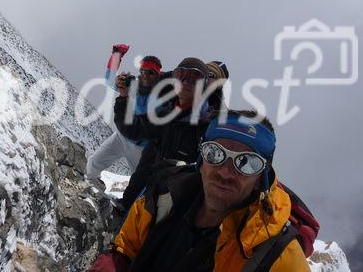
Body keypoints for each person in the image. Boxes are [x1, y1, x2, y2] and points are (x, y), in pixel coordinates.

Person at [88, 110, 312, 272]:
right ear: (201, 159)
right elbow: (125, 251)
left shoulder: (277, 255)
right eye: (215, 153)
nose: (225, 172)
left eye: (246, 162)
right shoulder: (163, 196)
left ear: (261, 176)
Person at [113, 57, 210, 211]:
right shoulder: (164, 115)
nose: (185, 82)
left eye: (194, 78)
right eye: (180, 75)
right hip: (135, 208)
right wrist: (123, 97)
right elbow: (132, 128)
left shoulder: (207, 129)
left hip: (172, 215)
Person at [86, 54, 164, 181]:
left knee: (140, 181)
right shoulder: (133, 85)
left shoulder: (162, 96)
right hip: (121, 137)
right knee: (94, 163)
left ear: (158, 75)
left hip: (141, 147)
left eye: (151, 73)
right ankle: (89, 188)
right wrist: (116, 55)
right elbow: (110, 80)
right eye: (143, 71)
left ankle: (137, 200)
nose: (145, 75)